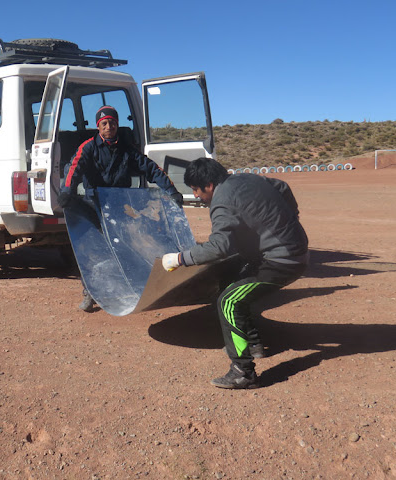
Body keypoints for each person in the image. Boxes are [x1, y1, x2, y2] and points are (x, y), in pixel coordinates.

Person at [162, 158, 308, 389]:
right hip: (290, 251)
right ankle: (253, 343)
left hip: (282, 261)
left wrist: (179, 259)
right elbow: (282, 187)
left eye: (196, 190)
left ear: (208, 185)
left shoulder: (222, 202)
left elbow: (219, 247)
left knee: (228, 302)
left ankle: (243, 372)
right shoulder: (247, 177)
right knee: (230, 280)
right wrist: (291, 219)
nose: (196, 196)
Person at [58, 105, 183, 312]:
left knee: (126, 246)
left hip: (120, 206)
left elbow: (151, 168)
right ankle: (90, 292)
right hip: (94, 205)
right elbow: (74, 168)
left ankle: (132, 287)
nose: (109, 127)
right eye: (104, 124)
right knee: (95, 251)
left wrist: (172, 191)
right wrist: (66, 190)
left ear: (117, 125)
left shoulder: (127, 148)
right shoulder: (88, 147)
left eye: (112, 123)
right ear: (98, 127)